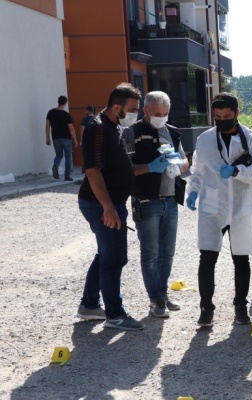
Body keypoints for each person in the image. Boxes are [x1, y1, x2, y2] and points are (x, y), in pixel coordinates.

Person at [186, 92, 252, 327]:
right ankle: (206, 309)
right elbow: (198, 171)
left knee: (240, 257)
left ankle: (240, 307)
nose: (222, 120)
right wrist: (193, 190)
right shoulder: (204, 140)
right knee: (207, 257)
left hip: (242, 205)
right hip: (213, 205)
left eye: (227, 115)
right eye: (218, 116)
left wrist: (237, 172)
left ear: (237, 114)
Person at [75, 82, 144, 331]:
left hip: (111, 202)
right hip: (101, 204)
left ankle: (89, 305)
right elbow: (93, 171)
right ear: (117, 107)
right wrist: (108, 208)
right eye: (133, 109)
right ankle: (115, 315)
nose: (137, 113)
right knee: (114, 258)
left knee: (106, 254)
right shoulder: (98, 129)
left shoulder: (113, 127)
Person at [122, 91, 189, 318]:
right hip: (147, 200)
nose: (162, 117)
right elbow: (124, 169)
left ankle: (162, 293)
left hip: (170, 200)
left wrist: (179, 164)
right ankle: (155, 300)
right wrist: (150, 167)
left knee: (167, 253)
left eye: (166, 113)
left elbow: (185, 159)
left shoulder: (172, 132)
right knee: (150, 253)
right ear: (146, 110)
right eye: (157, 113)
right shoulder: (133, 133)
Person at [46, 95, 77, 181]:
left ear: (58, 101)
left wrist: (47, 138)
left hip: (56, 138)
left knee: (59, 155)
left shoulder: (50, 112)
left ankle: (55, 165)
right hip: (66, 138)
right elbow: (71, 129)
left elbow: (47, 126)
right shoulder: (66, 115)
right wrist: (75, 140)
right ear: (65, 103)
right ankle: (67, 176)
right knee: (68, 157)